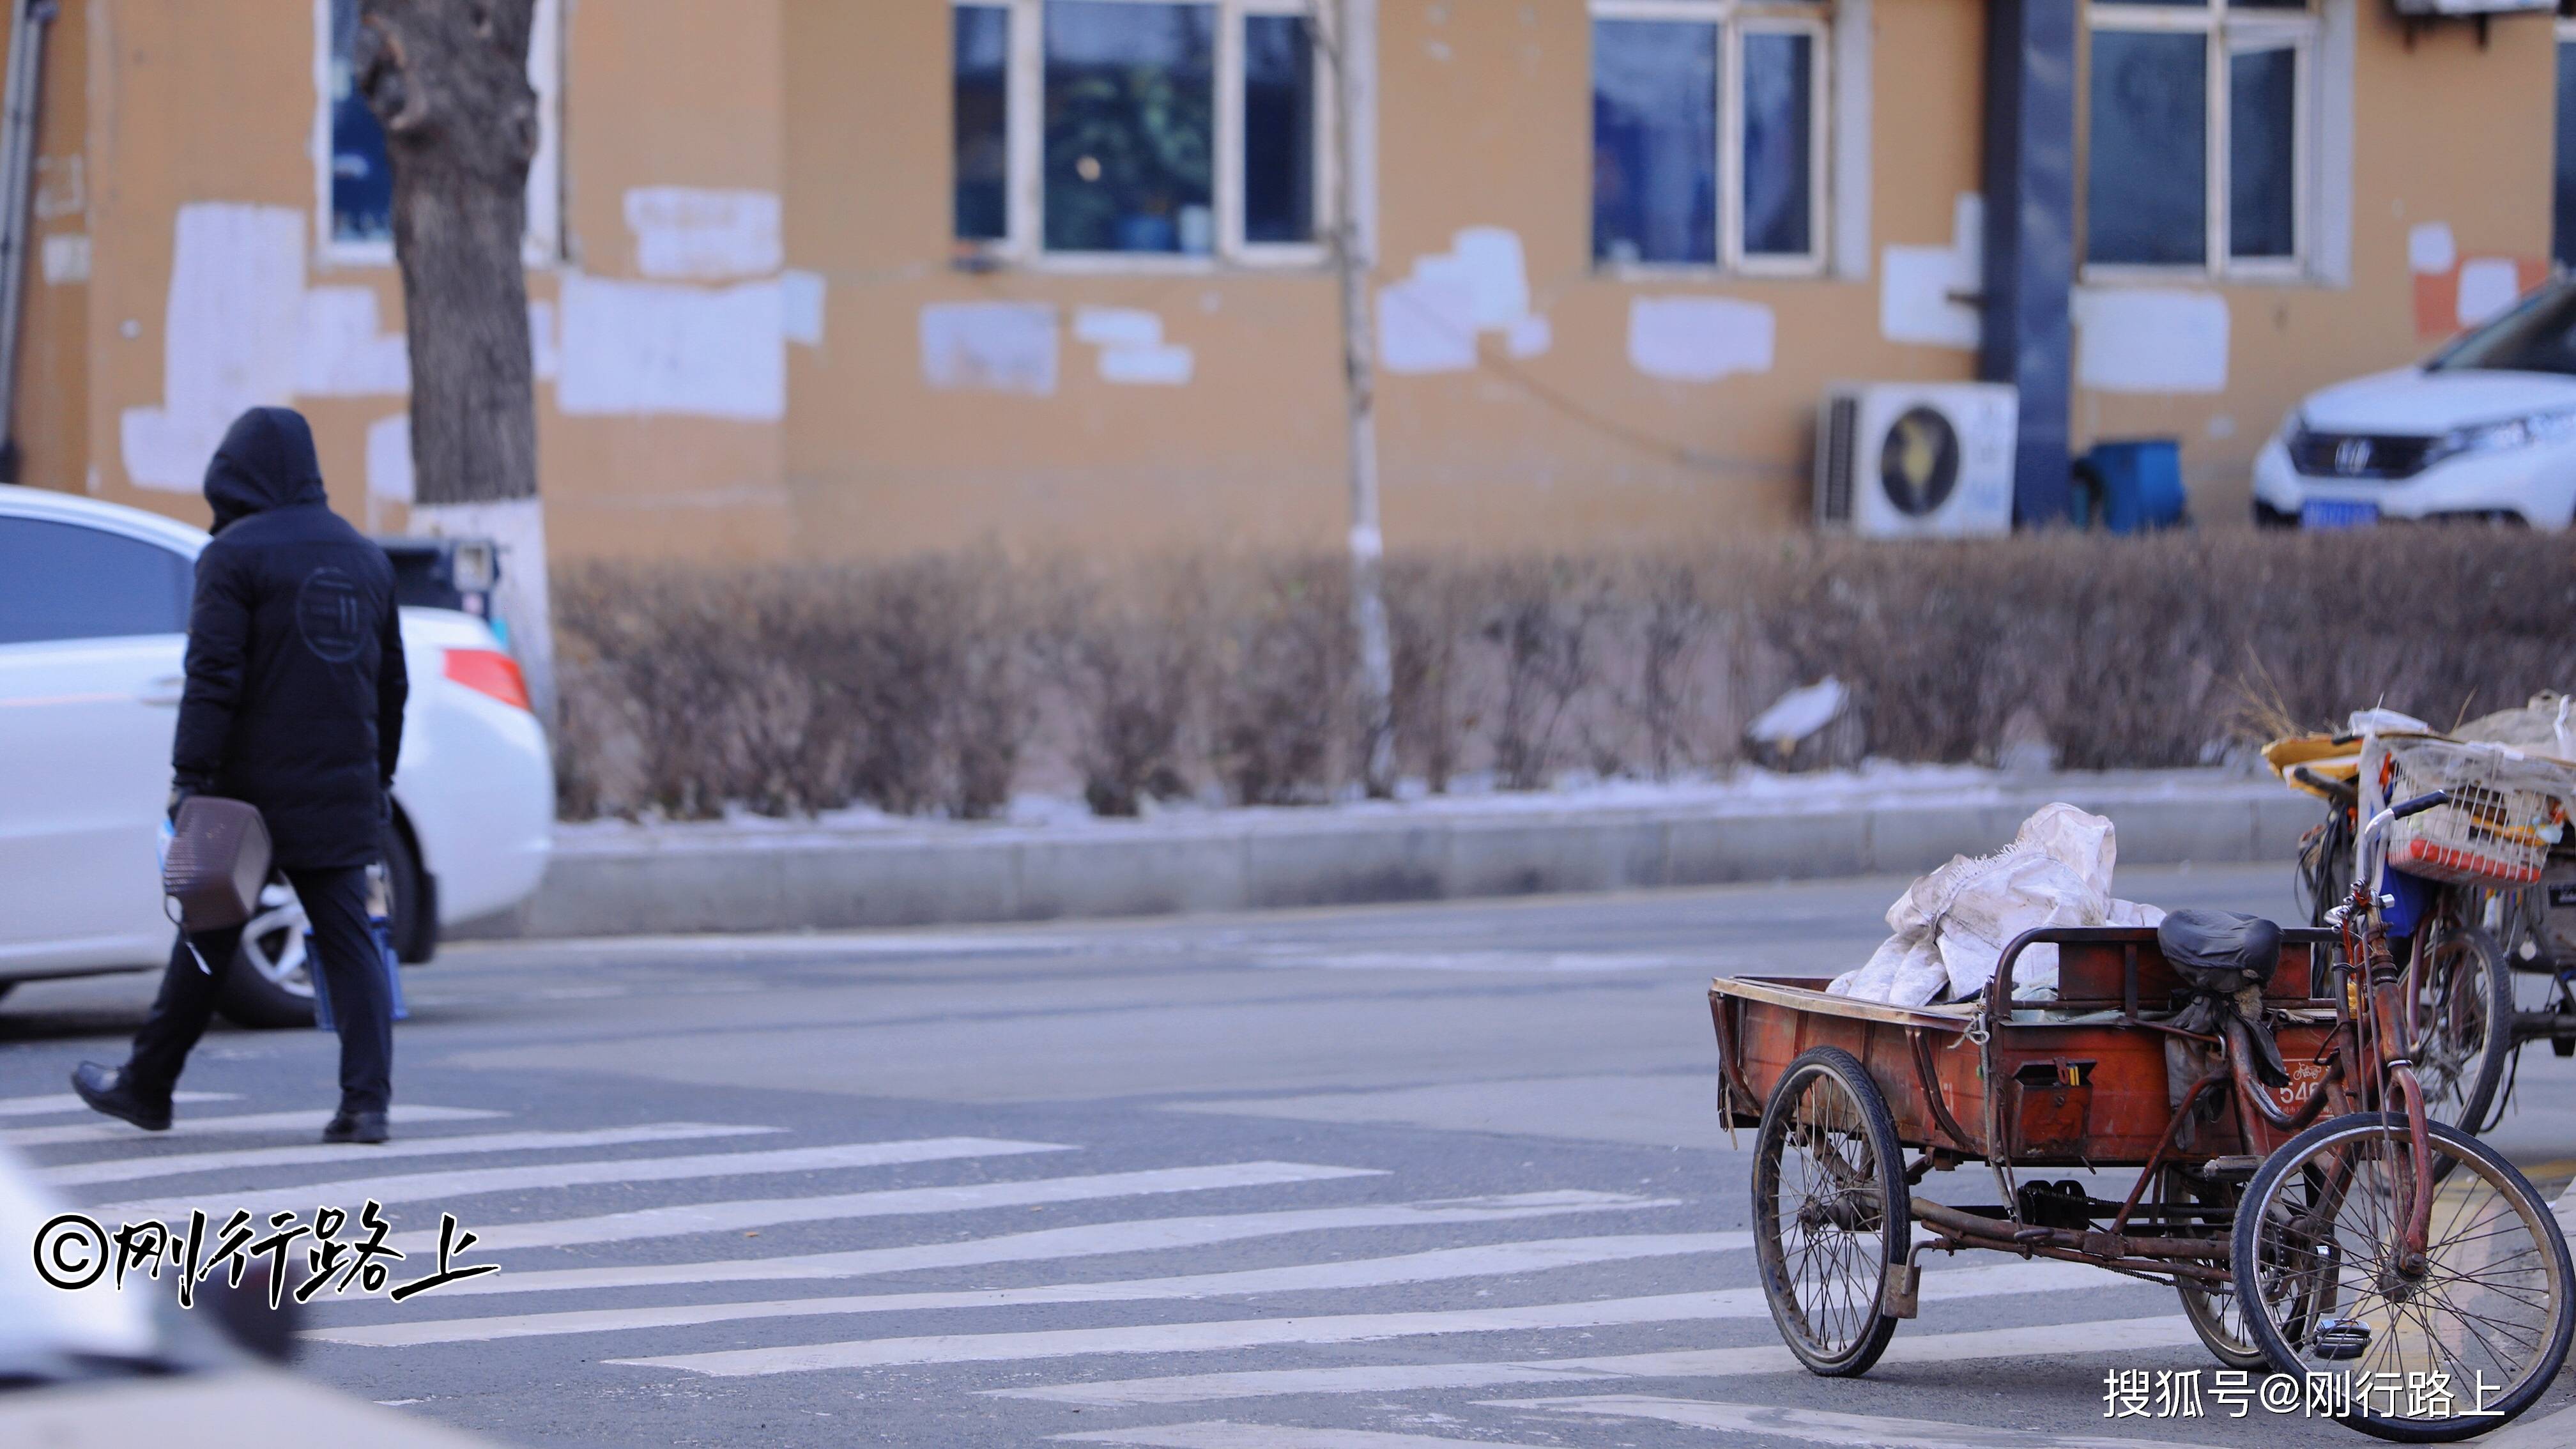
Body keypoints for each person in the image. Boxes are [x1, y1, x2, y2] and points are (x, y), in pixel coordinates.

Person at [72, 407, 408, 1145]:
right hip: (341, 788)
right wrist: (376, 780)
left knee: (205, 937)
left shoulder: (234, 554)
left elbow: (214, 676)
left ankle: (148, 1088)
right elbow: (392, 686)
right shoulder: (364, 556)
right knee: (350, 941)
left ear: (239, 473)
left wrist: (188, 777)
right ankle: (366, 1105)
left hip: (243, 795)